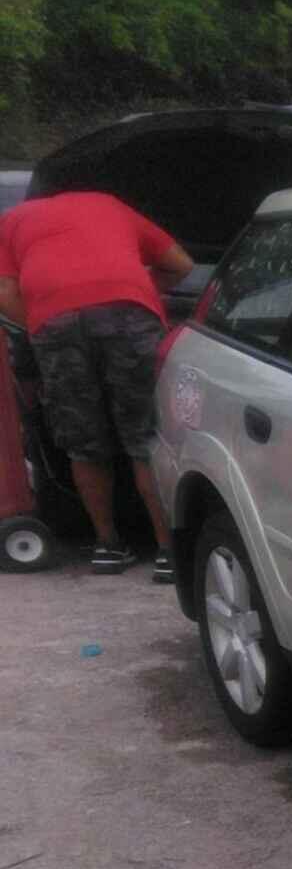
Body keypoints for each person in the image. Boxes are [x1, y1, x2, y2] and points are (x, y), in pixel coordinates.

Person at [0, 190, 194, 580]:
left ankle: (107, 546)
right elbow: (182, 265)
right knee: (146, 435)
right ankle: (168, 553)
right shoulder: (110, 204)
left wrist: (41, 323)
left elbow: (5, 291)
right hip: (129, 311)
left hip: (55, 320)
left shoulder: (12, 221)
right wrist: (133, 290)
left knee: (83, 441)